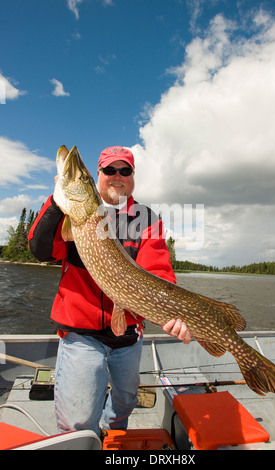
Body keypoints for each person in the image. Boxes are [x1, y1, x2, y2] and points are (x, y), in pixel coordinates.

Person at [28, 146, 191, 435]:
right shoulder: (77, 216)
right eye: (109, 170)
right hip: (82, 334)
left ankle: (111, 433)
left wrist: (174, 315)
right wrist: (55, 203)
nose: (117, 177)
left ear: (132, 177)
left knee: (125, 402)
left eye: (125, 171)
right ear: (98, 175)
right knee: (78, 422)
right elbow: (40, 250)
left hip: (128, 335)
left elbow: (159, 273)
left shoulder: (147, 219)